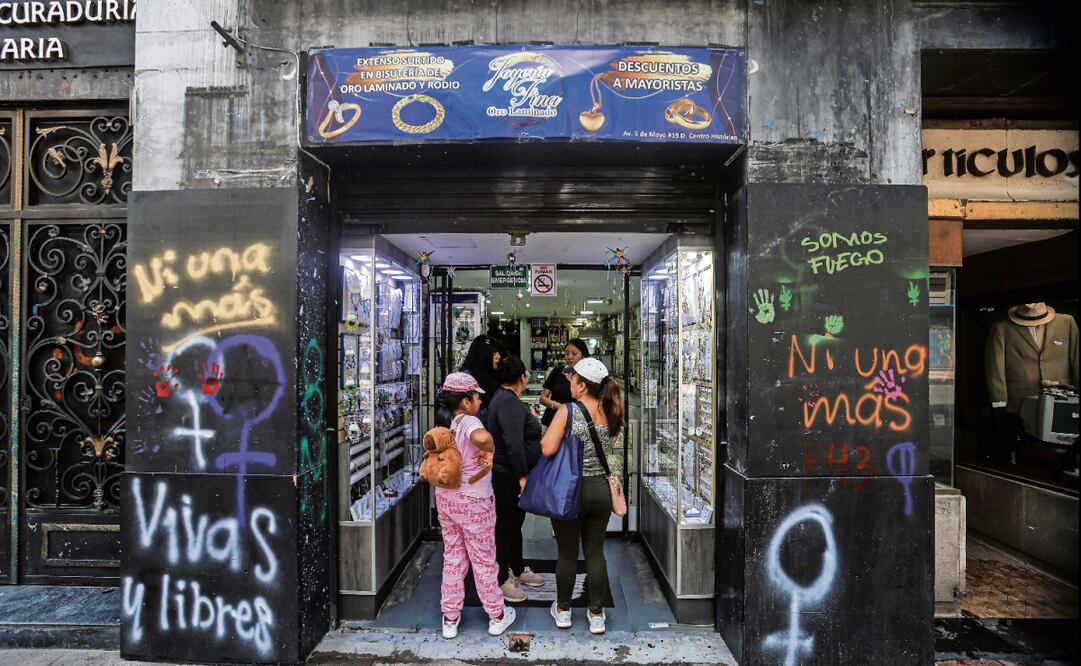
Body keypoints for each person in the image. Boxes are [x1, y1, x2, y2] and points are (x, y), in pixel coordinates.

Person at [539, 357, 623, 635]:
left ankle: (563, 610)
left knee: (567, 554)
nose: (569, 384)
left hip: (570, 491)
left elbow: (548, 449)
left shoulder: (568, 411)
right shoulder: (611, 410)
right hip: (600, 488)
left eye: (572, 380)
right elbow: (612, 446)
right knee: (596, 552)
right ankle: (596, 614)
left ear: (582, 385)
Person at [433, 372, 517, 640]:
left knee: (453, 558)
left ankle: (450, 618)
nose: (481, 400)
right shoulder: (468, 420)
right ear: (466, 401)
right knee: (483, 560)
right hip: (474, 502)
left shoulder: (443, 421)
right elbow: (481, 438)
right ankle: (496, 615)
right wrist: (490, 448)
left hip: (446, 499)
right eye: (477, 396)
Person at [487, 356, 545, 602]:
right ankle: (501, 579)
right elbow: (513, 444)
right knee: (505, 526)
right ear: (522, 378)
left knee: (513, 524)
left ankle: (518, 568)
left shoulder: (507, 399)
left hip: (508, 473)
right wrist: (522, 477)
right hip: (507, 476)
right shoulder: (508, 402)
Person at [538, 338, 590, 427]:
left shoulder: (589, 375)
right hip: (552, 420)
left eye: (574, 353)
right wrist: (557, 406)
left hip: (576, 424)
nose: (569, 357)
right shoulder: (557, 371)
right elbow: (542, 398)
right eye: (566, 353)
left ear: (583, 355)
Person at [460, 335, 501, 407]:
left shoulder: (492, 376)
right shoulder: (466, 380)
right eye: (494, 353)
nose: (499, 356)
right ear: (483, 355)